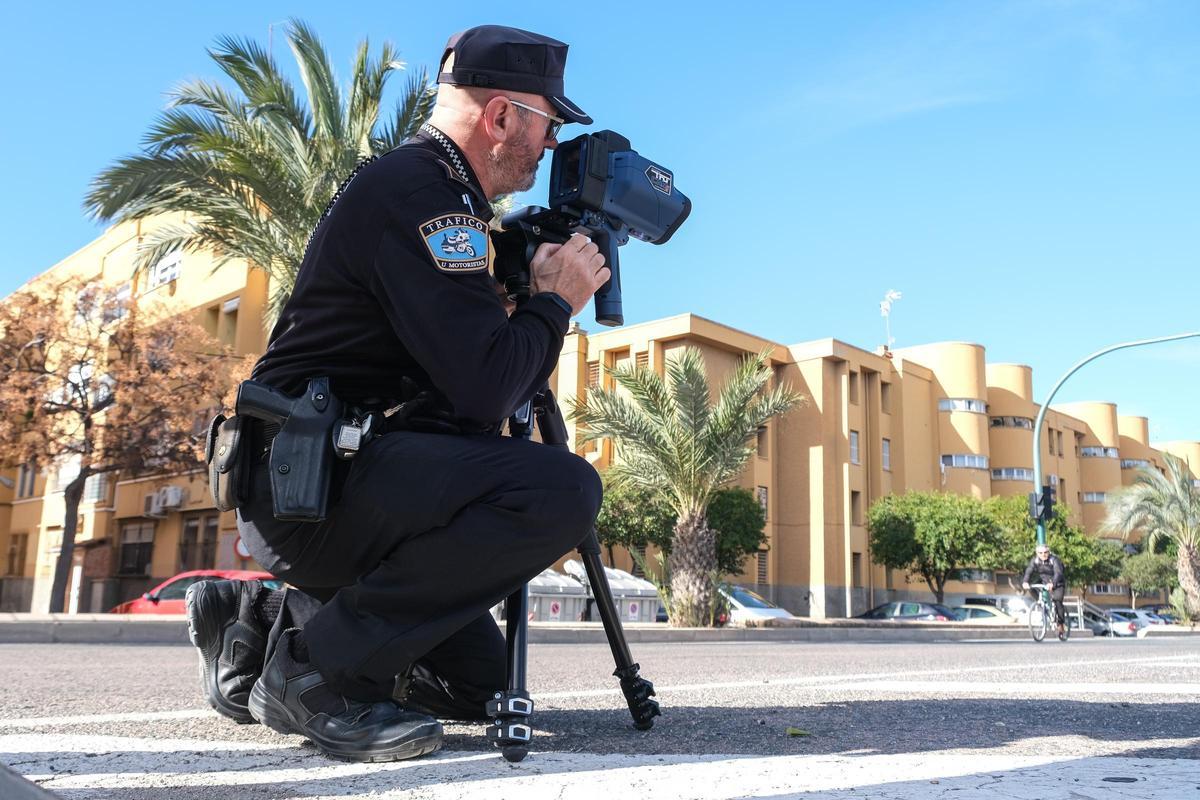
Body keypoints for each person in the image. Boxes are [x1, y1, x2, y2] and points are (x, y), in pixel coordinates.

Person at [184, 24, 608, 763]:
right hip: (316, 493)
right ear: (501, 115)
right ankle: (315, 675)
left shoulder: (442, 199)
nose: (549, 147)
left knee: (476, 684)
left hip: (329, 479)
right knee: (559, 490)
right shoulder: (424, 196)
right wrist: (554, 302)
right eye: (547, 124)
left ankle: (258, 618)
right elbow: (485, 391)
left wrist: (522, 277)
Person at [1022, 543, 1067, 635]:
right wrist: (1025, 581)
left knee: (1058, 601)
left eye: (1045, 552)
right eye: (1040, 553)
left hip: (1057, 582)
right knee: (1031, 587)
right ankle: (1040, 603)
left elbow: (1058, 573)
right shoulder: (1035, 560)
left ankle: (1061, 623)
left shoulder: (1054, 560)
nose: (1043, 555)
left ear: (1049, 552)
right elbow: (1029, 571)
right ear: (1037, 553)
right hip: (1044, 580)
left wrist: (1052, 584)